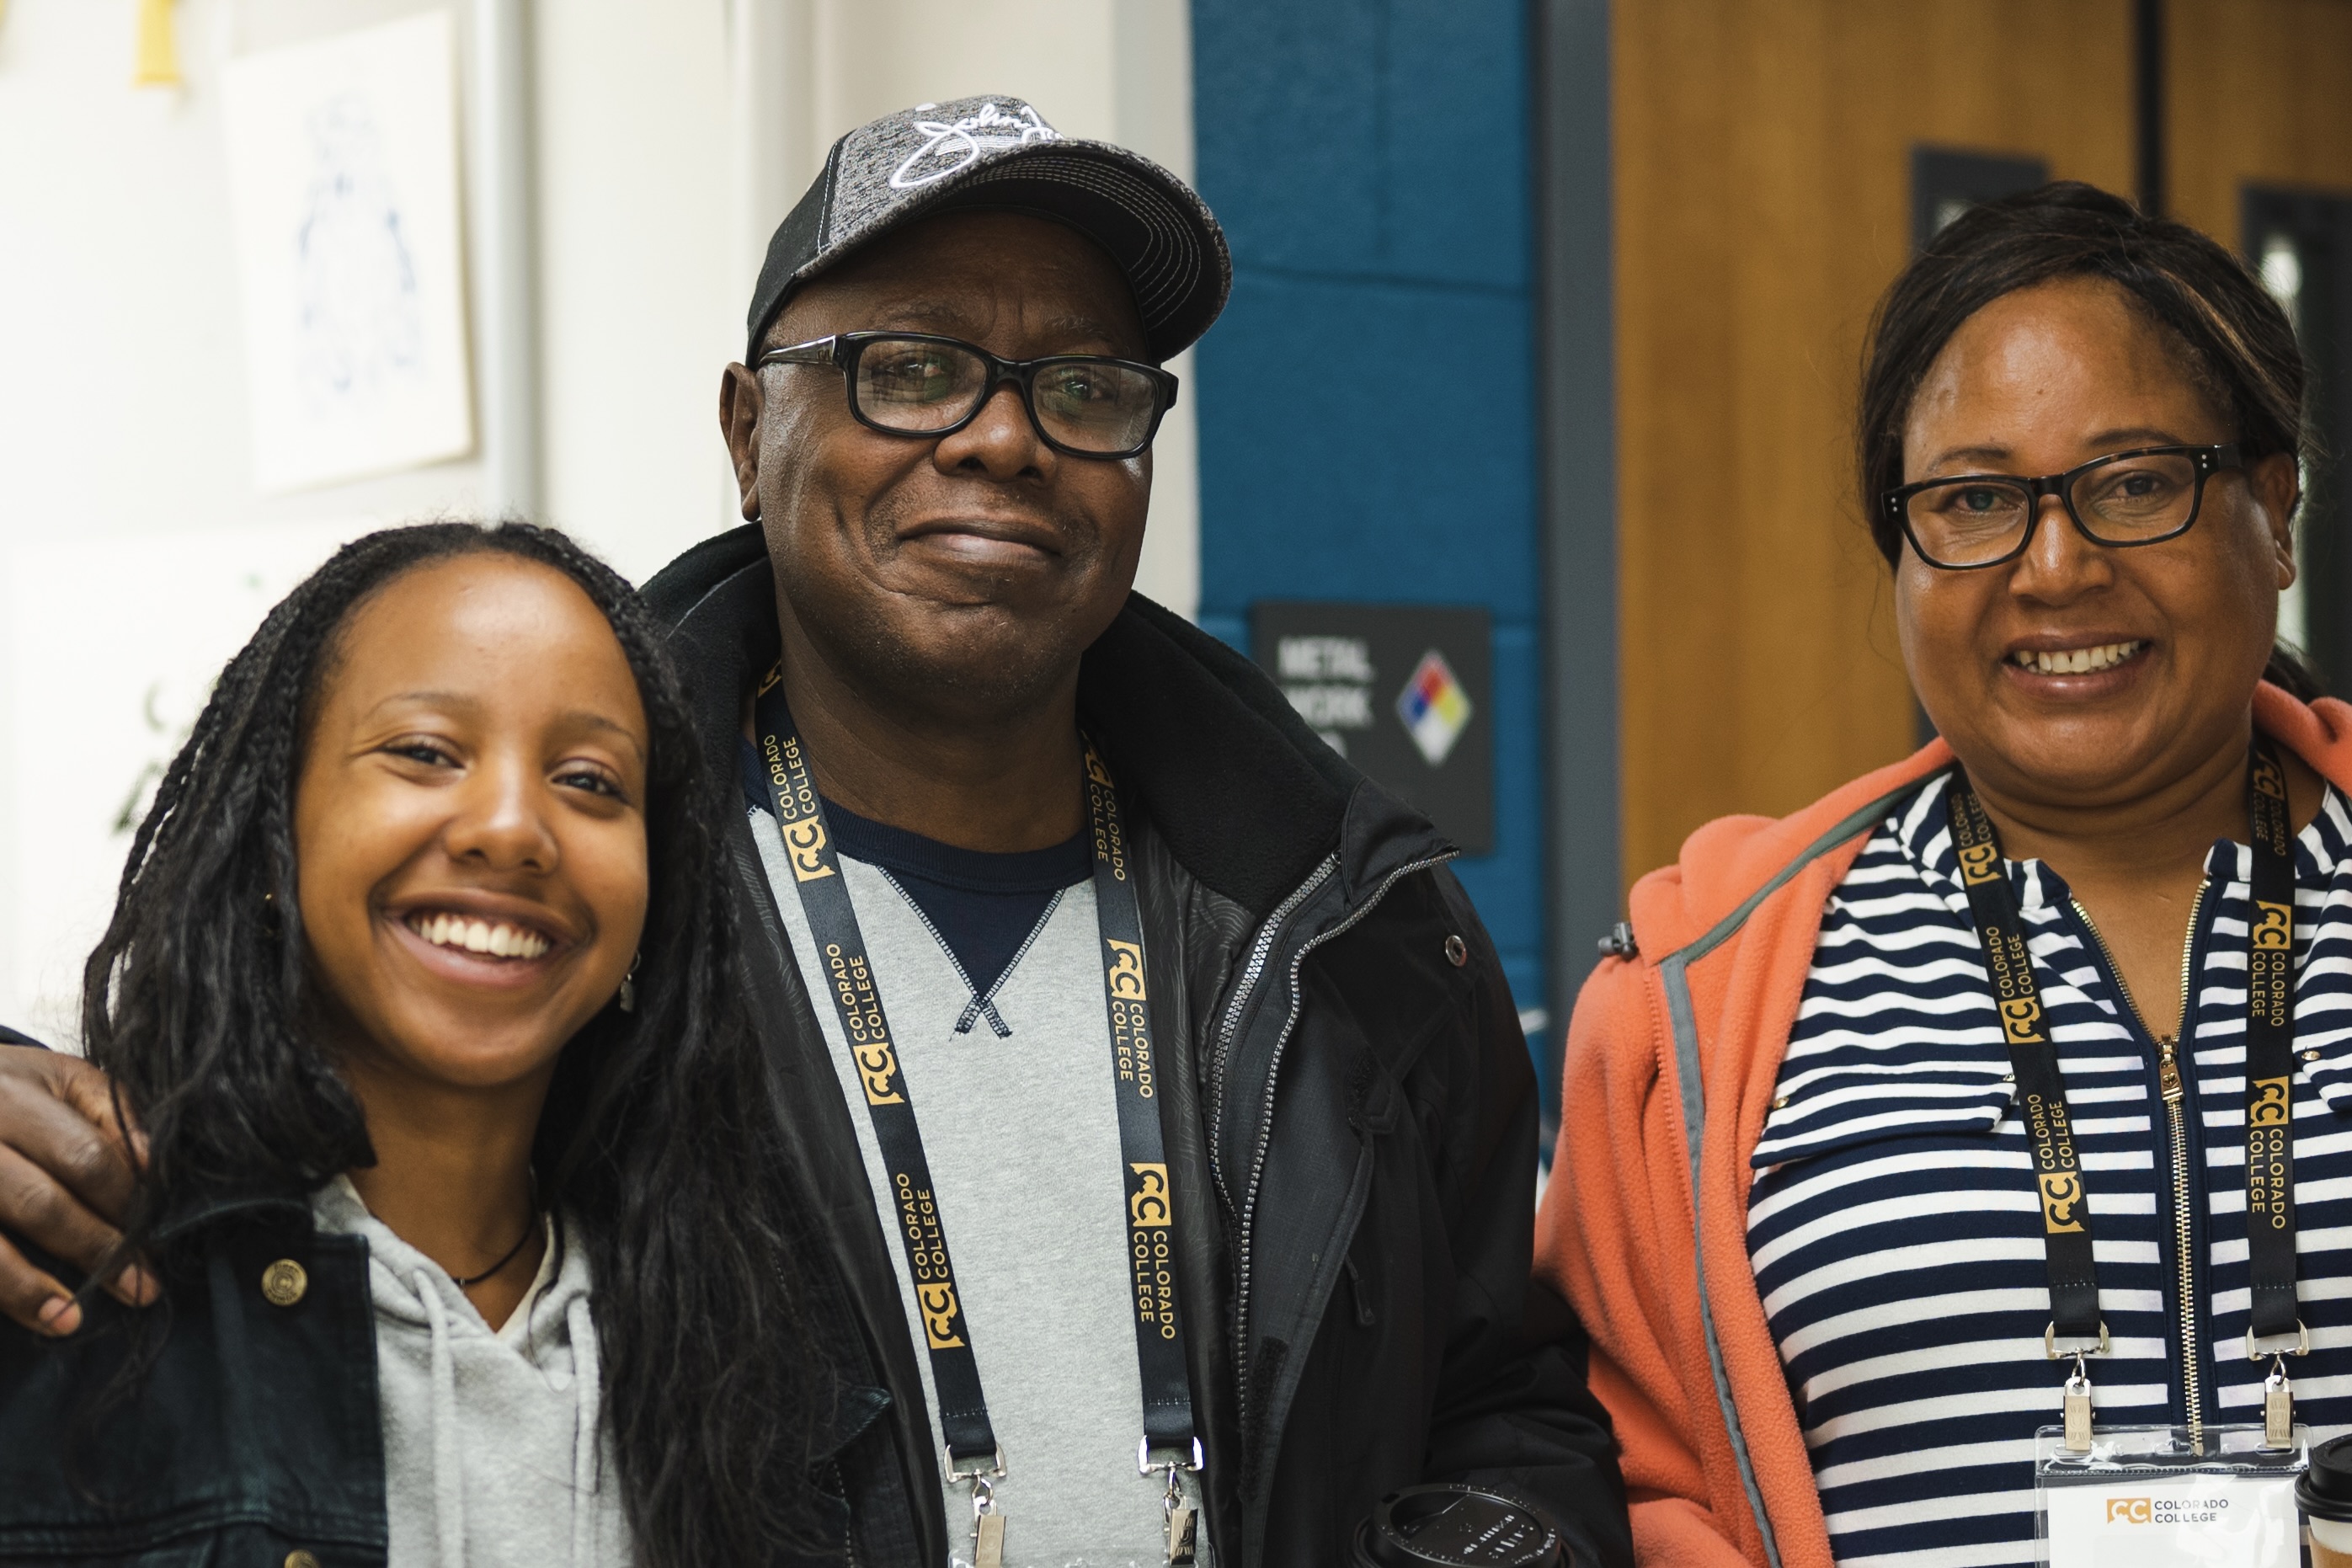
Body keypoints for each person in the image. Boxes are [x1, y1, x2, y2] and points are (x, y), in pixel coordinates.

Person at [0, 100, 1631, 1566]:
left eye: (1083, 390)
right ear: (746, 429)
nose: (1001, 438)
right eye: (907, 369)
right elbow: (230, 1102)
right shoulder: (594, 913)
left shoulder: (1345, 926)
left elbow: (1503, 1395)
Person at [1535, 180, 2352, 1567]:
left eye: (2133, 482)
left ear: (2271, 512)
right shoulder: (1697, 1000)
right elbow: (1618, 1485)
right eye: (1973, 501)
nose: (2054, 567)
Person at [0, 524, 861, 1565]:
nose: (513, 827)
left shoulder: (738, 1343)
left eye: (591, 779)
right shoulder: (61, 1257)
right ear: (272, 832)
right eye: (424, 752)